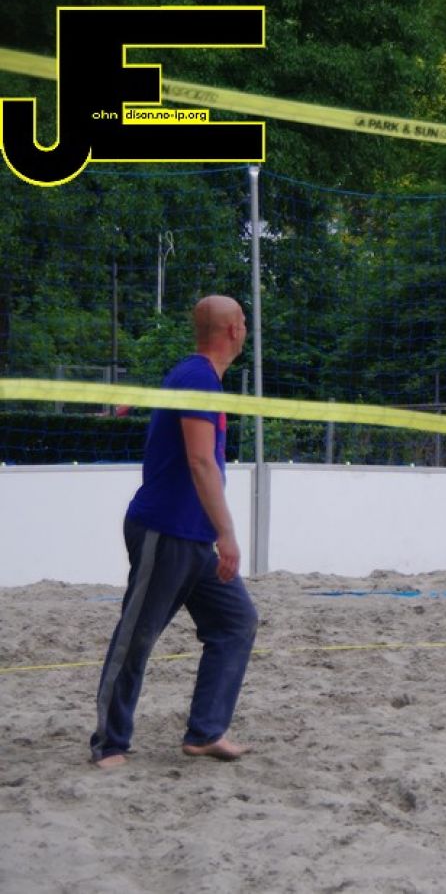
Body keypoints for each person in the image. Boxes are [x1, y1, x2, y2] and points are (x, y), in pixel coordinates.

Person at [89, 295, 258, 768]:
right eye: (244, 322)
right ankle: (109, 743)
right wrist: (228, 533)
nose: (246, 329)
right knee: (137, 637)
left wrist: (214, 533)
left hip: (193, 535)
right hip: (165, 531)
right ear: (233, 330)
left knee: (235, 622)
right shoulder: (196, 378)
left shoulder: (200, 377)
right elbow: (201, 461)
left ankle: (206, 733)